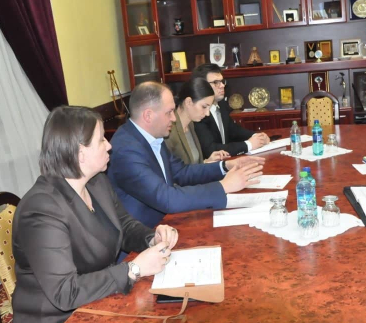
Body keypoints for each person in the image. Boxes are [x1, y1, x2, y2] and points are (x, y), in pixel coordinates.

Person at [12, 106, 179, 323]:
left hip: (100, 301)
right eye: (101, 139)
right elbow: (64, 292)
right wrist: (134, 269)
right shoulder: (41, 209)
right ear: (80, 154)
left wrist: (151, 238)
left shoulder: (97, 182)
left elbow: (124, 225)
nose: (109, 145)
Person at [108, 81, 264, 228]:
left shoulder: (153, 136)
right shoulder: (126, 150)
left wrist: (225, 166)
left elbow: (181, 172)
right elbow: (167, 198)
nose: (174, 118)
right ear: (148, 115)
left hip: (167, 224)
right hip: (144, 237)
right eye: (169, 112)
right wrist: (223, 186)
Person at [192, 64, 270, 158]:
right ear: (202, 85)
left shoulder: (221, 104)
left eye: (222, 81)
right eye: (216, 82)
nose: (222, 85)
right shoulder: (199, 112)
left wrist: (257, 136)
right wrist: (248, 145)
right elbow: (210, 149)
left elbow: (234, 130)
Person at [165, 77, 230, 164]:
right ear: (188, 102)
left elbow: (192, 165)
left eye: (209, 108)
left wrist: (207, 162)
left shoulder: (190, 124)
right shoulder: (169, 132)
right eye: (204, 107)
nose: (207, 113)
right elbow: (176, 174)